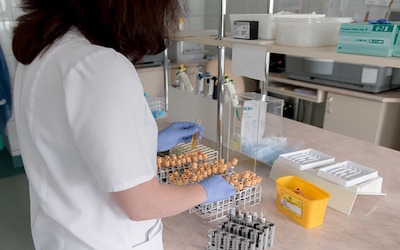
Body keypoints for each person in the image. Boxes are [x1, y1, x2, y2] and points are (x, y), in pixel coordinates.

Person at [12, 1, 236, 249]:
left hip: (60, 235)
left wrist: (151, 140)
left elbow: (67, 144)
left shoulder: (42, 51)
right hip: (105, 240)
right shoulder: (99, 65)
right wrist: (204, 191)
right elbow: (142, 204)